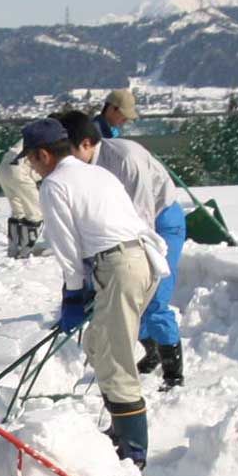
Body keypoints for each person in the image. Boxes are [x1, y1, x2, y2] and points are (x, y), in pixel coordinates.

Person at [20, 117, 167, 467]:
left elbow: (67, 246)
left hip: (119, 267)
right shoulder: (97, 173)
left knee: (115, 360)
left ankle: (133, 453)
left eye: (30, 160)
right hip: (142, 260)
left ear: (43, 155)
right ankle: (121, 429)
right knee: (99, 345)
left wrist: (73, 293)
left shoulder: (55, 184)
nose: (30, 168)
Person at [55, 110, 188, 389]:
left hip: (160, 222)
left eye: (66, 150)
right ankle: (151, 352)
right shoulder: (77, 171)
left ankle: (173, 374)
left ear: (86, 143)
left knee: (152, 297)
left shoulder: (125, 159)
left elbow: (142, 220)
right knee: (122, 298)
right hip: (121, 230)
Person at [0, 142, 42, 259]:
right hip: (19, 169)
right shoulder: (57, 138)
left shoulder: (32, 135)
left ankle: (14, 249)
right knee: (35, 212)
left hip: (3, 168)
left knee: (18, 212)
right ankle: (29, 251)